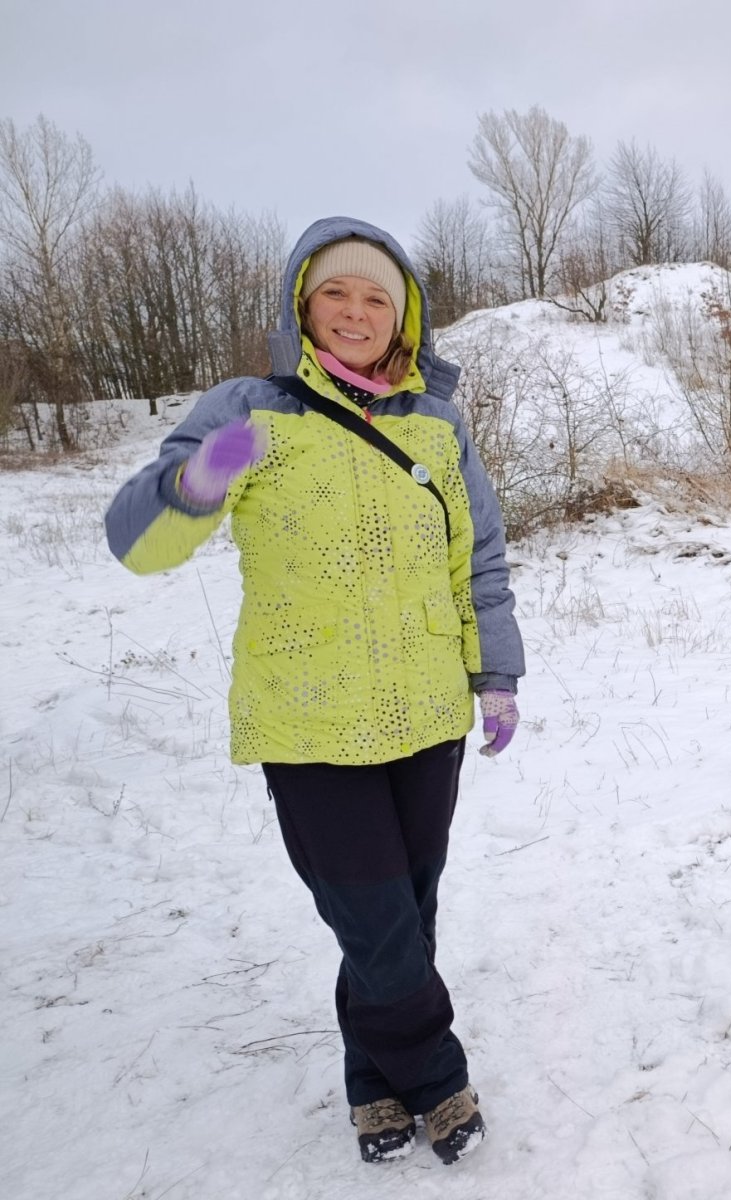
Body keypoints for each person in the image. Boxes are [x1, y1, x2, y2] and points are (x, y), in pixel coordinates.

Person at [105, 217, 525, 1167]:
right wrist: (201, 477)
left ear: (404, 317)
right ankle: (435, 1074)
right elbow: (137, 544)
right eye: (337, 291)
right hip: (306, 720)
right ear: (302, 303)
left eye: (378, 297)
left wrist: (494, 674)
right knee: (374, 919)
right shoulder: (251, 409)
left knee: (402, 915)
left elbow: (479, 560)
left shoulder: (437, 421)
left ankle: (371, 1082)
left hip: (426, 712)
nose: (356, 312)